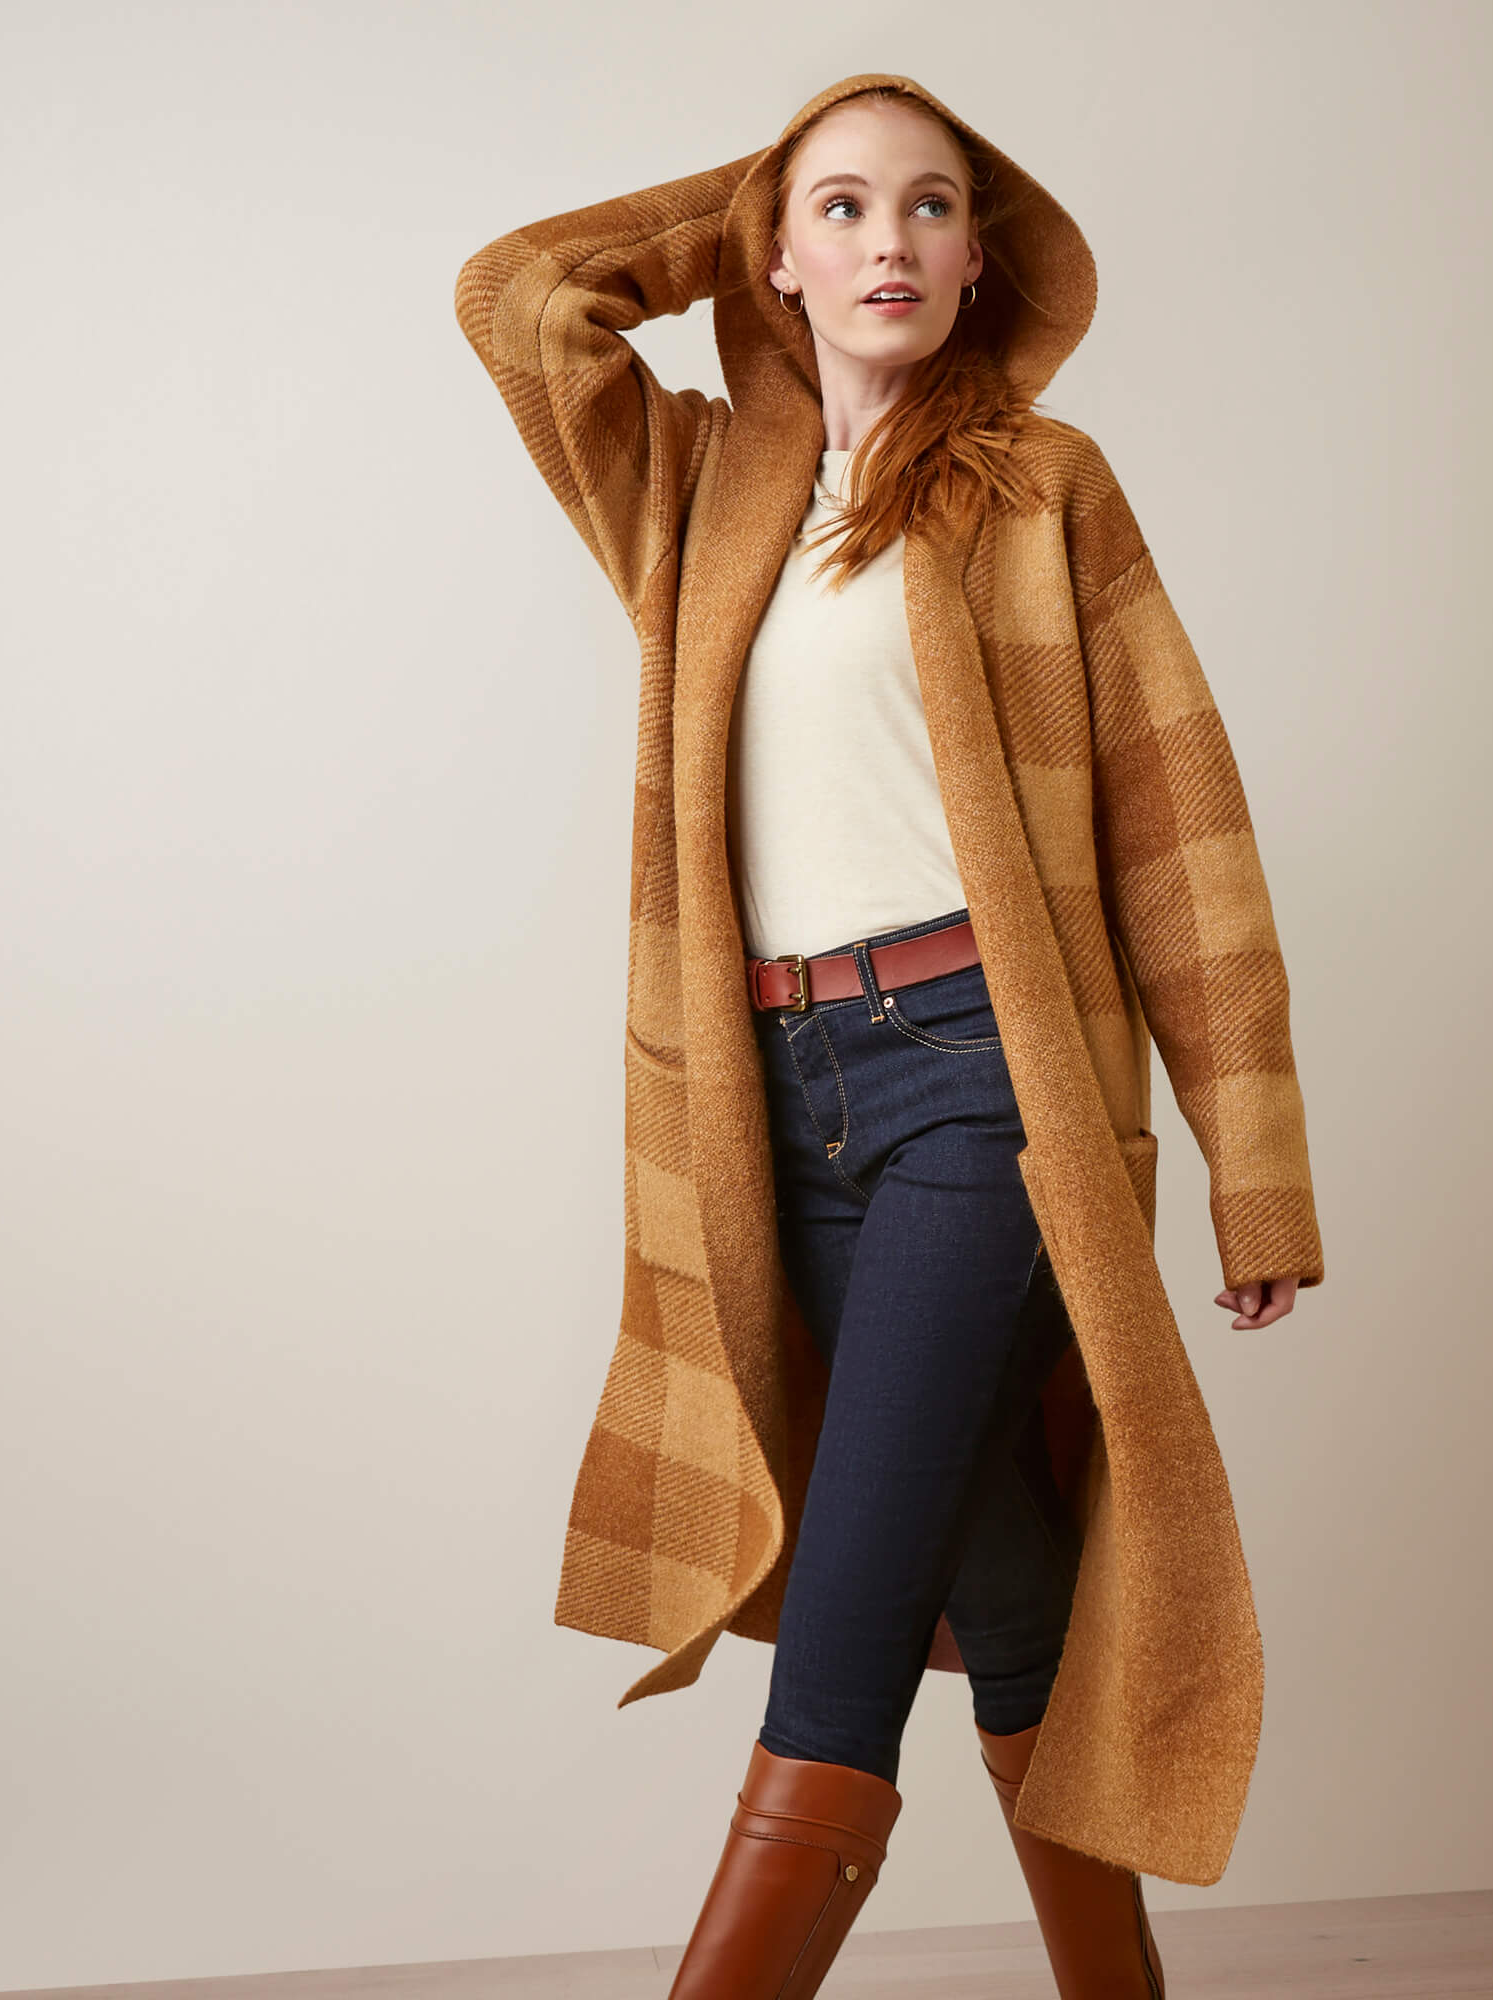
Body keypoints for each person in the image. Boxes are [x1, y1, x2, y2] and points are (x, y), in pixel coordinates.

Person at [454, 71, 1325, 2000]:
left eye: (933, 206)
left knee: (846, 1633)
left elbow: (1184, 834)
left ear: (978, 256)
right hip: (777, 1107)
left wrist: (1255, 1168)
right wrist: (757, 188)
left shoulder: (1042, 485)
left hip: (979, 1086)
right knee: (998, 1570)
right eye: (841, 210)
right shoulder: (697, 490)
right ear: (771, 255)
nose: (891, 244)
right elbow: (517, 298)